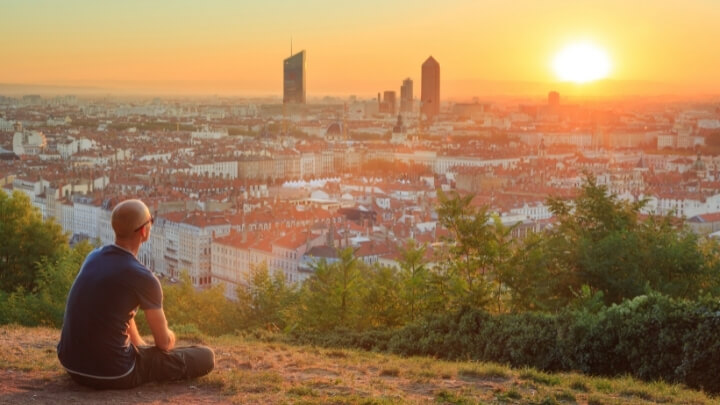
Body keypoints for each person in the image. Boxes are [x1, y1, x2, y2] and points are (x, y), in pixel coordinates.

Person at [57, 199, 214, 389]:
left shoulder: (93, 257)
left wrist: (139, 344)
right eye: (151, 221)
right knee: (205, 356)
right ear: (144, 231)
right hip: (114, 372)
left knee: (144, 348)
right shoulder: (143, 278)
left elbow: (119, 311)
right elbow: (163, 343)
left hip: (71, 365)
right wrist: (170, 338)